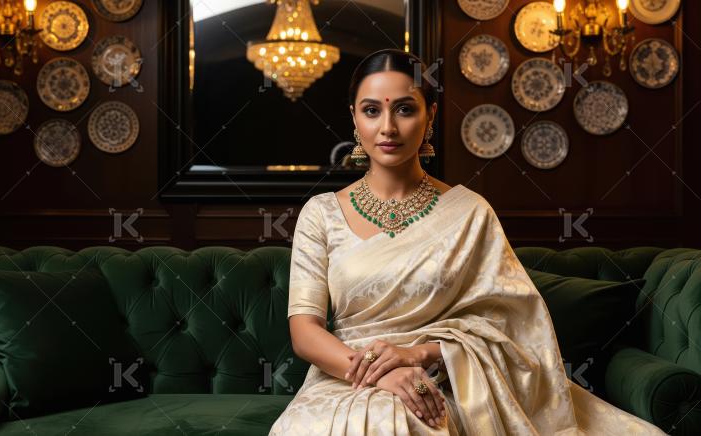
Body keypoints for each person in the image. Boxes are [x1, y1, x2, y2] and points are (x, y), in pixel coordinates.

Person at [268, 48, 667, 435]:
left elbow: (515, 328)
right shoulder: (321, 213)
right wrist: (382, 373)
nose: (387, 127)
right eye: (372, 110)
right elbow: (305, 330)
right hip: (344, 377)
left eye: (405, 109)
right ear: (354, 118)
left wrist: (419, 355)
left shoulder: (470, 213)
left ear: (430, 116)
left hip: (443, 381)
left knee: (403, 423)